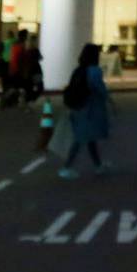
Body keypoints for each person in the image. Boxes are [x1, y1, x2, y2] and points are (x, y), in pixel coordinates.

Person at [58, 42, 113, 179]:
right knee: (81, 138)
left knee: (88, 138)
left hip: (78, 107)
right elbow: (100, 90)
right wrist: (111, 102)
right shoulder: (94, 71)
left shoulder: (79, 70)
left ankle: (98, 165)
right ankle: (67, 167)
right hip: (89, 109)